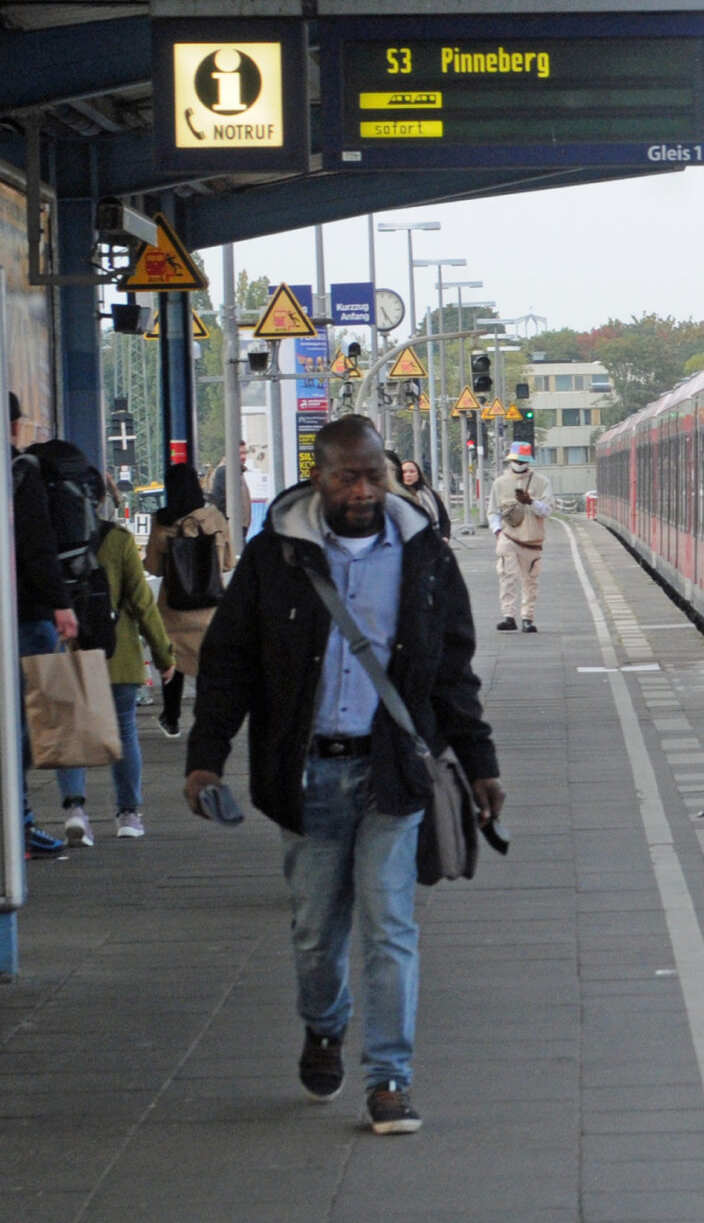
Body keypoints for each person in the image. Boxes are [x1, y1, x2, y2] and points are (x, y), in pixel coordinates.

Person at [185, 416, 504, 1135]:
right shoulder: (276, 557)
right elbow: (230, 662)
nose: (361, 491)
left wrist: (481, 764)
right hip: (307, 773)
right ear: (319, 477)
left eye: (373, 476)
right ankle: (324, 1025)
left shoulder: (426, 555)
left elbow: (452, 671)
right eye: (346, 477)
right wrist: (206, 756)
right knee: (314, 930)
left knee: (390, 925)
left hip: (392, 771)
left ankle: (389, 1078)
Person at [83, 481, 174, 838]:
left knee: (69, 729)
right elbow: (142, 603)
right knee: (124, 730)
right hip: (116, 652)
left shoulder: (51, 542)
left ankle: (75, 809)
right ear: (103, 499)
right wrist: (163, 654)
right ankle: (128, 814)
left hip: (71, 654)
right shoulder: (118, 540)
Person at [9, 395, 77, 857]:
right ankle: (18, 826)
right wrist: (61, 603)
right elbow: (38, 545)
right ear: (14, 425)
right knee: (24, 731)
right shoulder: (20, 472)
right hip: (26, 616)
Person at [144, 461, 234, 739]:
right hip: (209, 608)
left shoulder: (162, 520)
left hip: (174, 606)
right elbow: (228, 563)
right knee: (207, 661)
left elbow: (154, 568)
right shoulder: (214, 519)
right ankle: (207, 718)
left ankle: (171, 717)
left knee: (174, 660)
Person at [488, 441, 549, 633]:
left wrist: (531, 502)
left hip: (532, 541)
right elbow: (492, 512)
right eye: (516, 459)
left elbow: (547, 510)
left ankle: (527, 618)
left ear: (529, 461)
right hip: (508, 537)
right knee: (506, 576)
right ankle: (508, 616)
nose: (519, 463)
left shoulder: (542, 482)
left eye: (523, 460)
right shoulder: (500, 483)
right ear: (510, 459)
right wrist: (498, 532)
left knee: (530, 580)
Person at [387, 452, 450, 541]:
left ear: (418, 475)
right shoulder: (395, 496)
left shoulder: (430, 494)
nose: (408, 475)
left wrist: (445, 537)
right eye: (404, 472)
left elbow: (444, 519)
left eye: (412, 471)